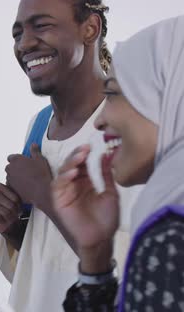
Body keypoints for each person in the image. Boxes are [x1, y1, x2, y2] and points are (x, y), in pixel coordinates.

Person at [0, 0, 138, 310]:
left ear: (90, 28)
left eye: (42, 25)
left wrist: (44, 194)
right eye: (17, 33)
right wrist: (12, 228)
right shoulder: (39, 126)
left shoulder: (137, 128)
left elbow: (140, 273)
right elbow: (44, 262)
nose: (24, 44)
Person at [52, 15, 184, 311]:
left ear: (170, 95)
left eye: (112, 93)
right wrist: (95, 257)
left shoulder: (171, 240)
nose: (100, 120)